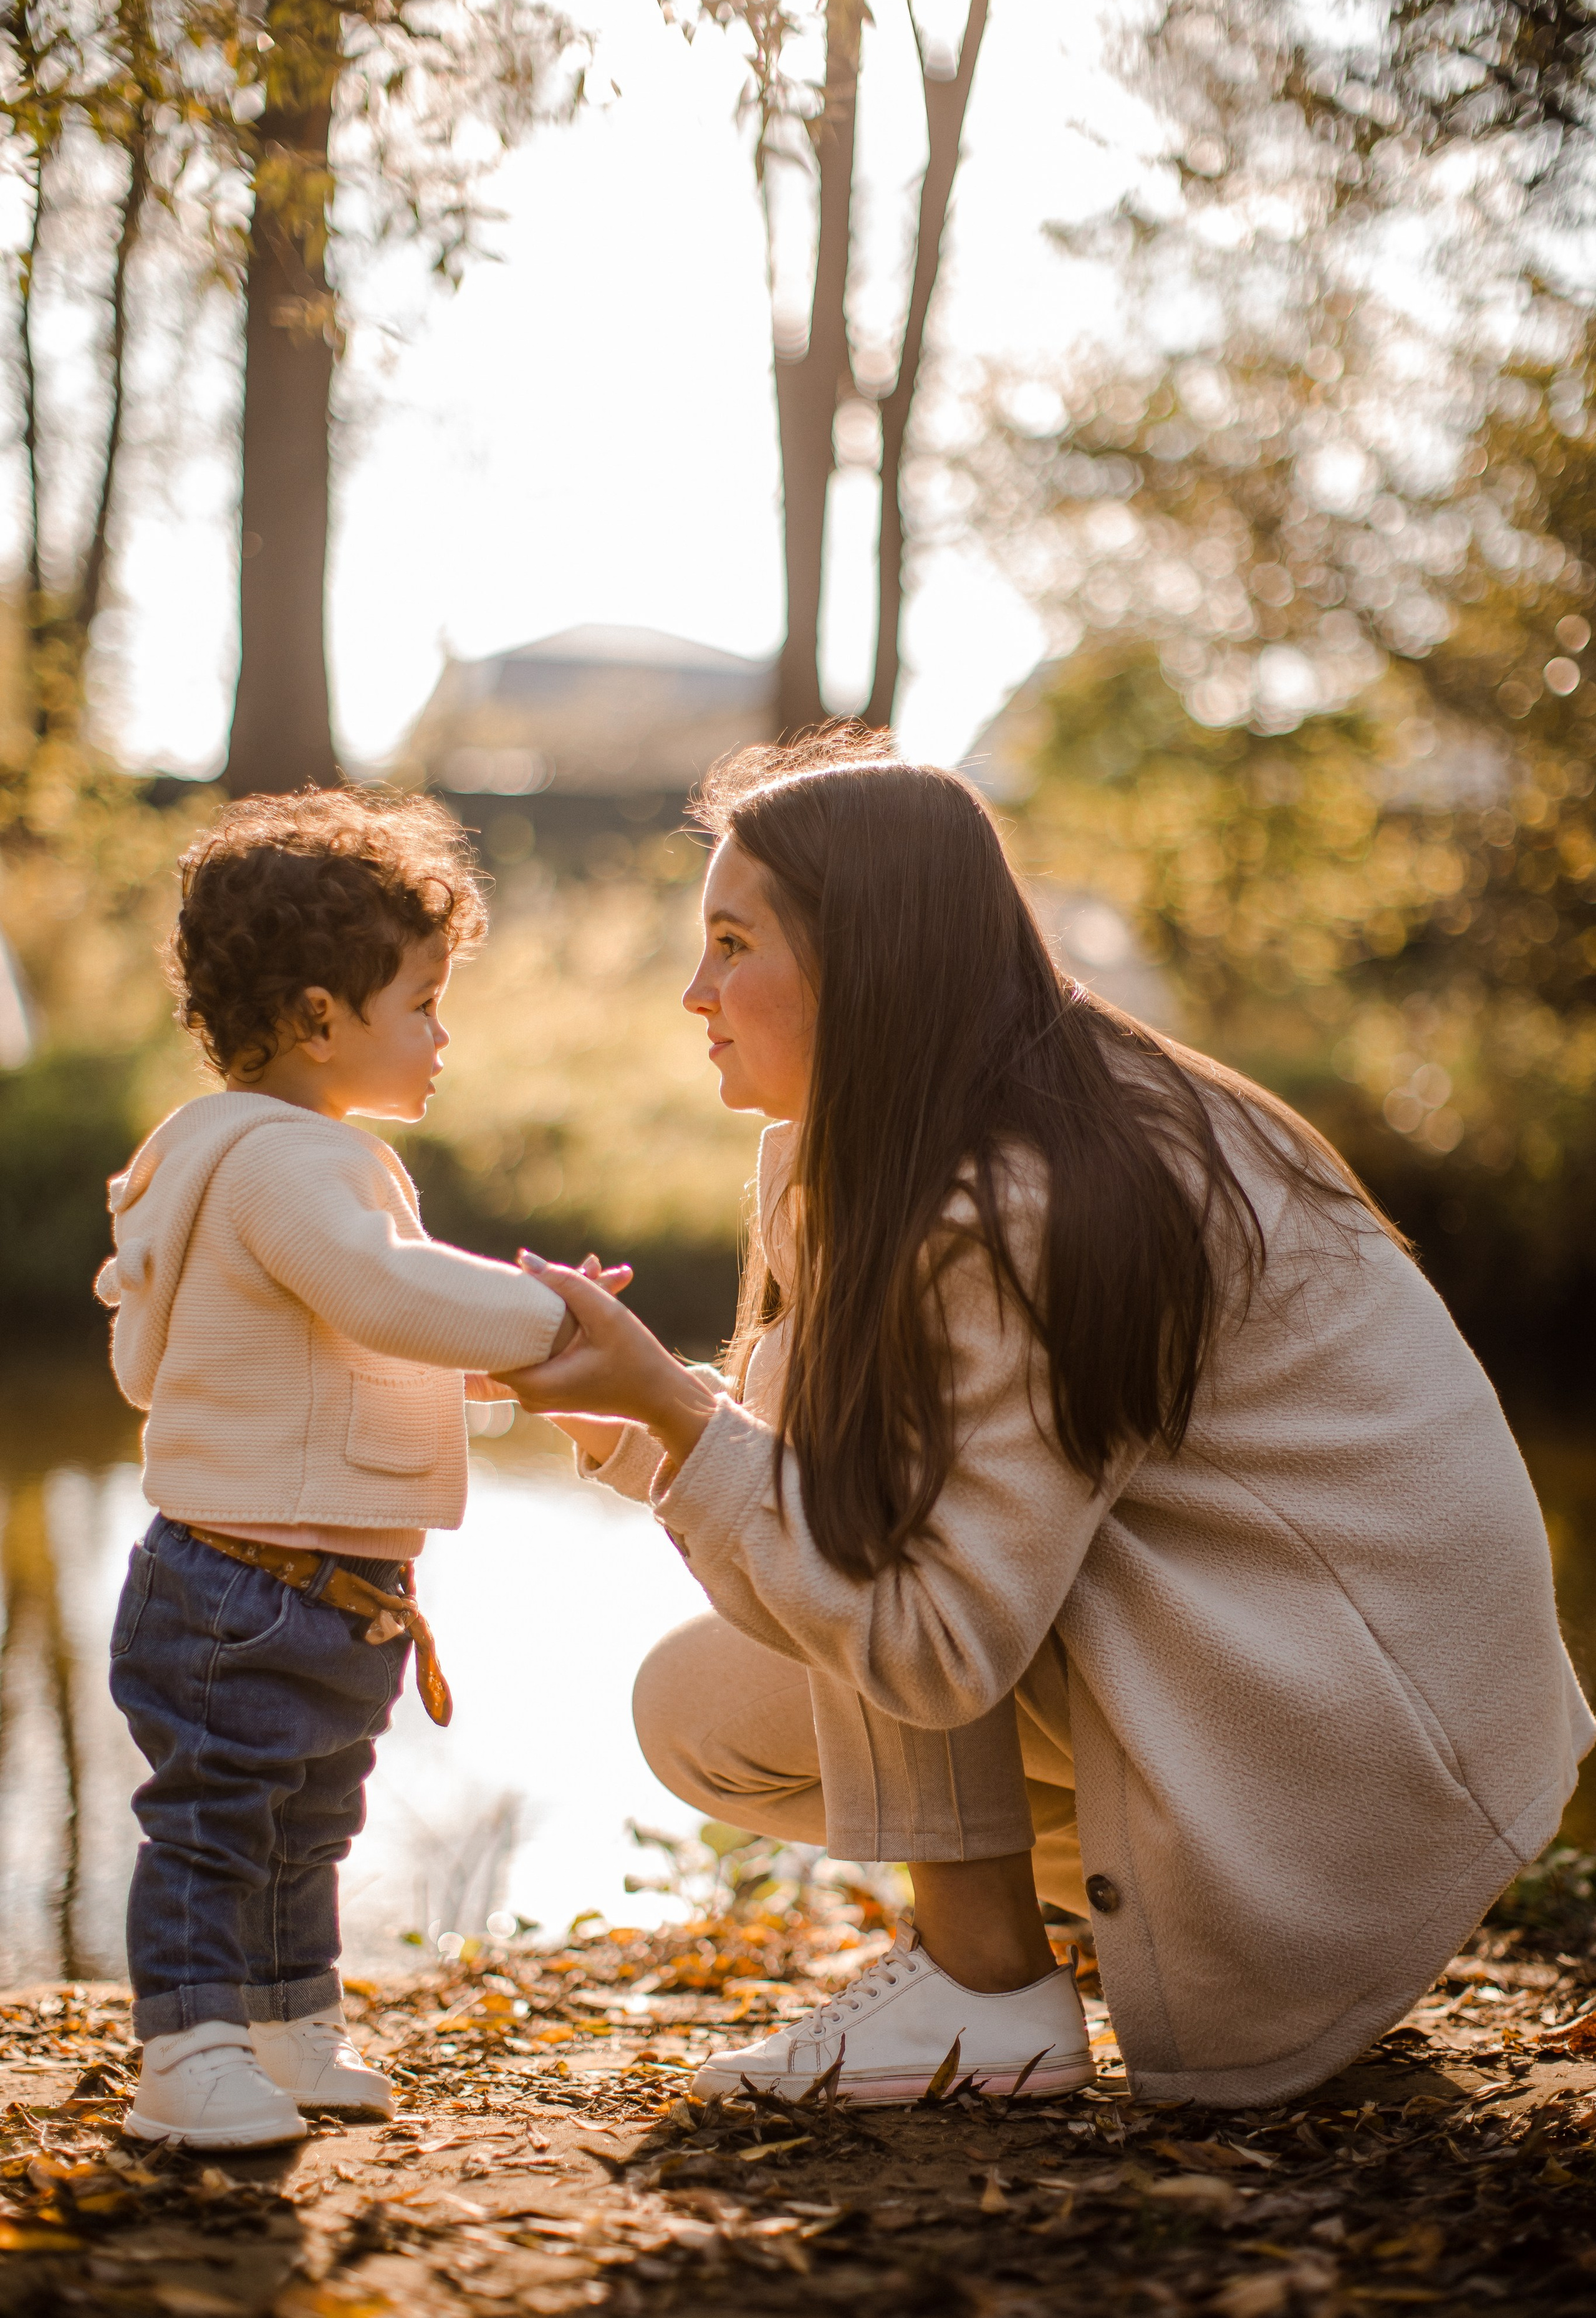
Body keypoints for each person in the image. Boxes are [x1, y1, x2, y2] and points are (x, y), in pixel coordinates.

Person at [503, 734, 1594, 2111]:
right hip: (1282, 1687)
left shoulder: (1028, 1195)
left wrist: (668, 1403)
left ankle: (986, 1994)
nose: (693, 992)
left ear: (871, 959)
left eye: (732, 943)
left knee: (880, 1566)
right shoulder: (903, 1137)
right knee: (699, 1710)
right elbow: (788, 1473)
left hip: (1364, 1757)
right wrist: (627, 1421)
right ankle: (1074, 1933)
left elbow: (926, 1629)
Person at [98, 791, 620, 2151]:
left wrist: (507, 1356)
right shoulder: (285, 1165)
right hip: (239, 1587)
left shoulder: (293, 1159)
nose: (445, 1037)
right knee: (220, 1818)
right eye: (425, 1005)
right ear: (323, 1018)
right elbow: (382, 1296)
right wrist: (553, 1317)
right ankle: (191, 2045)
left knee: (310, 1817)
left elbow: (346, 1348)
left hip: (326, 1587)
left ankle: (285, 2021)